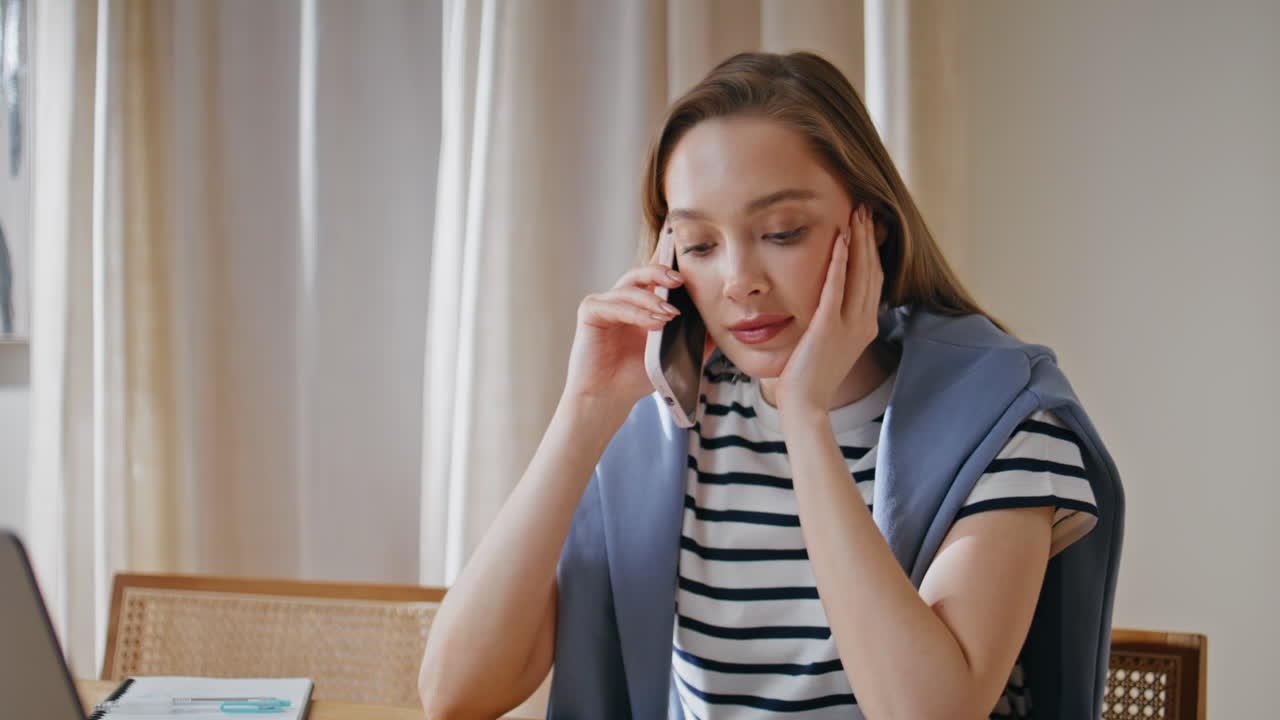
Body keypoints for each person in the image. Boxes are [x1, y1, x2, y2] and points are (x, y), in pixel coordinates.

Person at [418, 51, 1122, 720]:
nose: (739, 281)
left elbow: (927, 710)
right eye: (698, 244)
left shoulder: (1002, 419)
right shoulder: (664, 423)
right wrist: (585, 412)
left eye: (782, 231)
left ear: (868, 227)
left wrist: (806, 419)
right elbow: (456, 692)